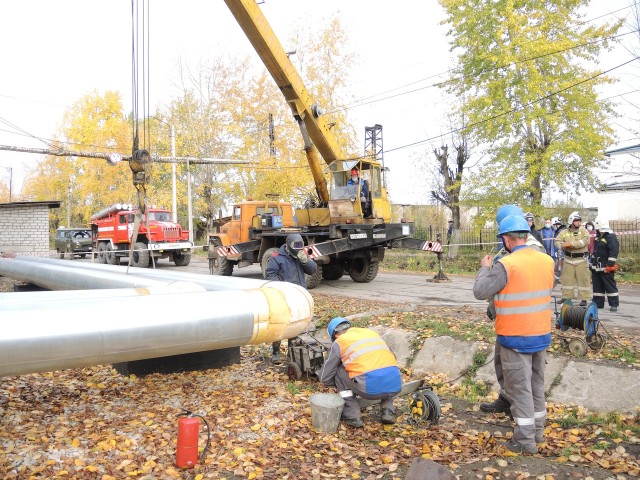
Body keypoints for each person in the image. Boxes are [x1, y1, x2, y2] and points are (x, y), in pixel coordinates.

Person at [473, 214, 554, 454]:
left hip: (516, 338)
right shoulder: (546, 260)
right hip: (540, 334)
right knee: (536, 386)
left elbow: (480, 290)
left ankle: (525, 442)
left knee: (519, 391)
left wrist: (485, 268)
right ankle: (537, 433)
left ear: (507, 239)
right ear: (526, 235)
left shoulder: (507, 264)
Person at [479, 204, 544, 416]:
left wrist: (485, 270)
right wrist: (494, 305)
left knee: (521, 378)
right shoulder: (521, 245)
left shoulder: (530, 249)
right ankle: (508, 400)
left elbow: (514, 283)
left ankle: (521, 417)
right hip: (518, 320)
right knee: (504, 364)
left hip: (521, 324)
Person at [319, 317, 402, 428]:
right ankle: (388, 410)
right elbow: (393, 358)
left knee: (338, 372)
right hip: (395, 384)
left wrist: (339, 383)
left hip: (368, 388)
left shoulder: (340, 341)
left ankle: (352, 416)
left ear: (334, 335)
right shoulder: (371, 333)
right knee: (385, 368)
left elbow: (325, 376)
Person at [264, 233, 318, 362]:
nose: (299, 248)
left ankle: (292, 353)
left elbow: (312, 270)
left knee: (296, 324)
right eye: (296, 245)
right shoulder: (277, 257)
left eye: (301, 245)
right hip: (284, 297)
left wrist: (306, 261)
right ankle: (276, 353)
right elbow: (270, 273)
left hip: (299, 295)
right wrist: (283, 287)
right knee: (280, 324)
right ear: (288, 244)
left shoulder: (300, 256)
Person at [554, 211, 591, 306]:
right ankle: (566, 297)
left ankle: (584, 299)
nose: (578, 222)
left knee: (583, 280)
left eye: (579, 220)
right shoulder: (564, 232)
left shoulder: (584, 231)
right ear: (571, 221)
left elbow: (586, 241)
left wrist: (572, 244)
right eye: (576, 221)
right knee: (566, 280)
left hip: (581, 260)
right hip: (568, 259)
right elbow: (557, 241)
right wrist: (562, 245)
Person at [590, 217, 620, 312]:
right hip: (597, 266)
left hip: (606, 266)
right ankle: (598, 302)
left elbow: (614, 251)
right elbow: (596, 250)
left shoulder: (610, 237)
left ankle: (614, 304)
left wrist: (610, 263)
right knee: (597, 285)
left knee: (609, 285)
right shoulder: (599, 236)